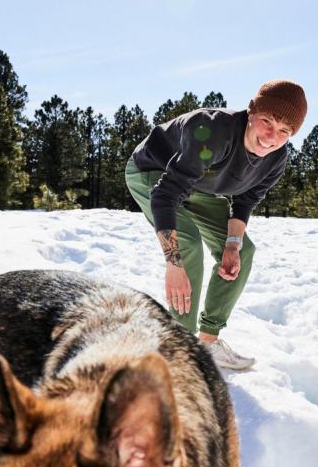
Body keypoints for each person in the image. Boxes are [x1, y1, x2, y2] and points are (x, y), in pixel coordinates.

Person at [125, 79, 307, 371]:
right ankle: (179, 351)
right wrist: (174, 263)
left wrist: (232, 247)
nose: (272, 136)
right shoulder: (212, 131)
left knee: (243, 251)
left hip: (197, 185)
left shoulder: (276, 159)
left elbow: (245, 200)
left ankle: (207, 343)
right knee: (188, 246)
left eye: (285, 131)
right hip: (152, 171)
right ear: (251, 111)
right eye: (267, 122)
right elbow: (165, 194)